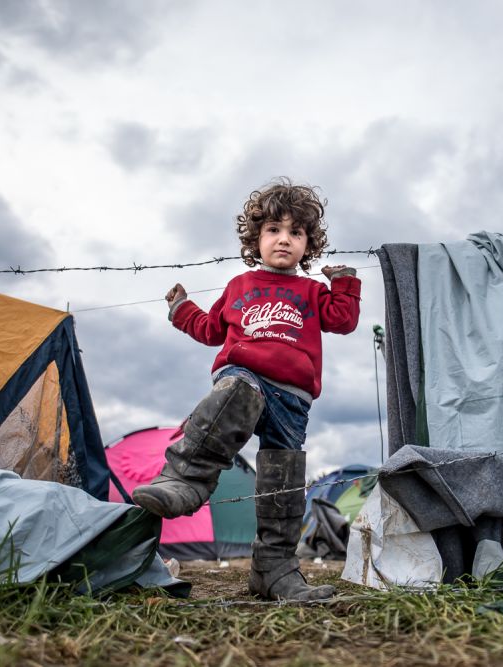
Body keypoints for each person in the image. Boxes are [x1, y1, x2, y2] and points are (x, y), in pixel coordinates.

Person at [131, 178, 361, 601]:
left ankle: (274, 570)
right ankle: (184, 479)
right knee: (236, 388)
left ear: (308, 244)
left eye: (296, 232)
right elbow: (209, 328)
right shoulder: (240, 286)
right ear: (256, 238)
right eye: (274, 229)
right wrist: (181, 309)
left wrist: (344, 280)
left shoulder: (311, 291)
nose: (284, 239)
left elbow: (344, 320)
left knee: (284, 475)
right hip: (245, 379)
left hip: (293, 397)